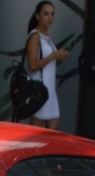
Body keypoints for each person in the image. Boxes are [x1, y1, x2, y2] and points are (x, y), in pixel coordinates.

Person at [25, 1, 71, 130]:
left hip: (49, 90)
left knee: (53, 131)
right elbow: (32, 65)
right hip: (40, 89)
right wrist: (54, 55)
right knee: (35, 133)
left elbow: (48, 62)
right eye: (46, 14)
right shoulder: (35, 36)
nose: (50, 17)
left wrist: (59, 58)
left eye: (52, 14)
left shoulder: (47, 38)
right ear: (38, 16)